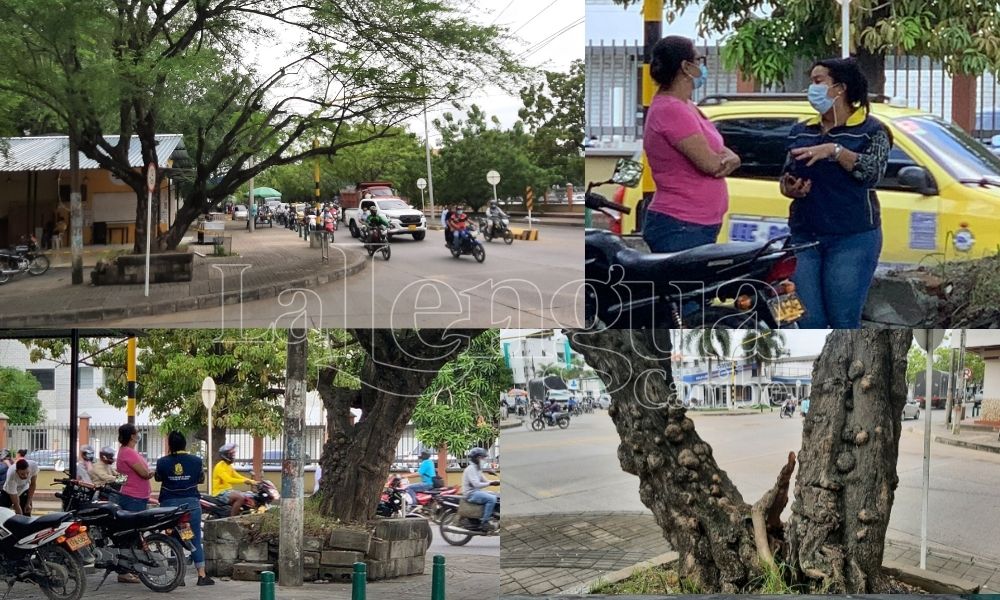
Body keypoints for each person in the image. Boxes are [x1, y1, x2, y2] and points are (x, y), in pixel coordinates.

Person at [779, 57, 890, 328]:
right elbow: (784, 177)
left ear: (839, 88)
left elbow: (872, 173)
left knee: (843, 319)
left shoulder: (872, 131)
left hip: (852, 238)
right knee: (802, 318)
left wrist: (834, 151)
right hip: (804, 236)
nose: (811, 88)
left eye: (818, 81)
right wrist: (791, 188)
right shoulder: (801, 131)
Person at [642, 35, 741, 253]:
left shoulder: (686, 105)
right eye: (698, 60)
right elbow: (711, 164)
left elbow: (717, 150)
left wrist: (730, 158)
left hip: (697, 222)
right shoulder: (671, 109)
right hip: (681, 224)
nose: (701, 66)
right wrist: (728, 160)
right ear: (686, 67)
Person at [155, 432, 214, 586]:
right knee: (193, 539)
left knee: (173, 539)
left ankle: (178, 577)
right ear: (184, 444)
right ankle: (202, 576)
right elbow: (201, 479)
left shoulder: (162, 462)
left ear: (170, 445)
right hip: (190, 507)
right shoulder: (196, 460)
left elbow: (158, 477)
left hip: (169, 507)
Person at [115, 423, 154, 512]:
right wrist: (152, 473)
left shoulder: (123, 450)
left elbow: (121, 477)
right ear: (132, 436)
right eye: (137, 432)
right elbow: (144, 474)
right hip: (134, 498)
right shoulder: (129, 452)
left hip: (130, 496)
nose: (138, 434)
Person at [213, 443, 258, 517]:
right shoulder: (220, 466)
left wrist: (253, 482)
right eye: (231, 454)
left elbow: (237, 476)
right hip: (219, 493)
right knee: (240, 497)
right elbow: (229, 480)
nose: (233, 456)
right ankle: (232, 519)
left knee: (248, 495)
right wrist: (244, 481)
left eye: (234, 454)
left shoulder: (228, 466)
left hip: (228, 491)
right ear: (226, 455)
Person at [461, 448, 499, 531]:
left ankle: (493, 516)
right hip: (470, 493)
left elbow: (485, 481)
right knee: (492, 499)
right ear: (477, 458)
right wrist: (491, 483)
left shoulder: (478, 469)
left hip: (476, 492)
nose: (484, 460)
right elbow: (477, 484)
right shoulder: (471, 469)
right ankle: (484, 523)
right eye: (482, 458)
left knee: (496, 495)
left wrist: (497, 481)